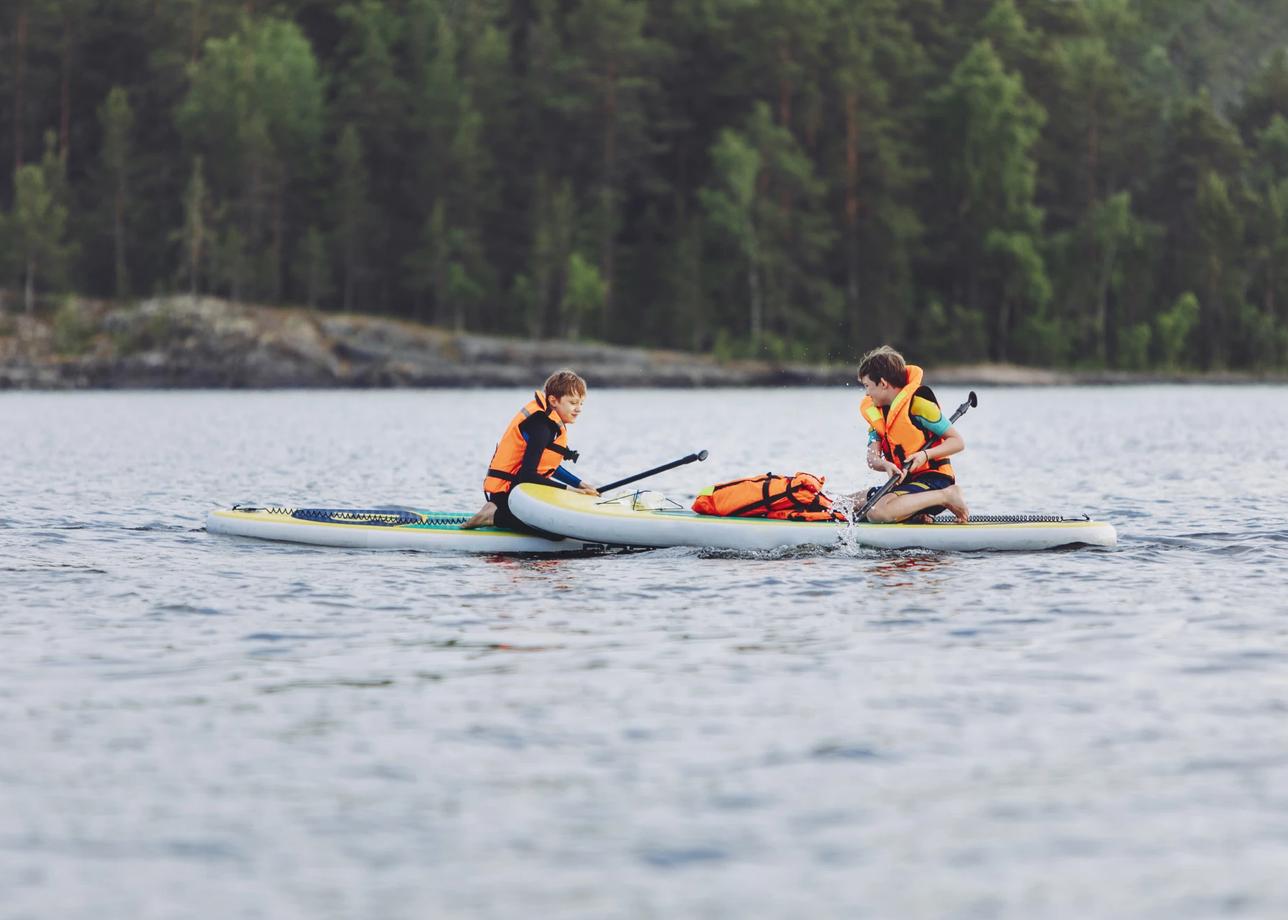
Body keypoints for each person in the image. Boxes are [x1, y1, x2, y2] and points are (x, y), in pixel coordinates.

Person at [461, 369, 599, 534]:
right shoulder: (542, 428)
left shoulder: (548, 424)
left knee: (559, 523)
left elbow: (545, 465)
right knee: (556, 532)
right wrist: (573, 492)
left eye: (581, 403)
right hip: (508, 495)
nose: (579, 409)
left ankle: (496, 511)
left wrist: (580, 484)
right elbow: (528, 475)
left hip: (517, 492)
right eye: (573, 403)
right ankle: (493, 516)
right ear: (553, 401)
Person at [855, 345, 969, 523]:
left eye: (867, 386)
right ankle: (915, 514)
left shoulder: (919, 406)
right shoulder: (877, 415)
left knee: (876, 512)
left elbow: (957, 442)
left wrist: (925, 455)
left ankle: (947, 496)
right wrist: (884, 464)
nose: (867, 393)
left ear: (883, 383)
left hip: (935, 481)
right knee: (847, 504)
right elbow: (872, 458)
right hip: (907, 485)